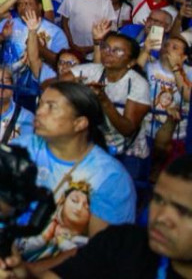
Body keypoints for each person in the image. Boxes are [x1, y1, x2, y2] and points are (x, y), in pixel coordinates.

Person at [0, 153, 192, 279]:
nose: (162, 217)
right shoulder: (123, 245)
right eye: (158, 200)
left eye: (183, 212)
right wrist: (17, 274)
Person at [13, 82, 136, 266]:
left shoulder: (110, 177)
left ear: (80, 123)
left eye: (51, 107)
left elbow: (99, 256)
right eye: (40, 104)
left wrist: (26, 272)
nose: (39, 112)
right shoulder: (23, 147)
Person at [62, 25, 151, 177]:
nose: (108, 53)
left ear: (131, 62)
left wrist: (104, 100)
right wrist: (73, 85)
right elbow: (55, 84)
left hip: (129, 153)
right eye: (106, 47)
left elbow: (127, 129)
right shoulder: (93, 70)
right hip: (98, 148)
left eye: (117, 51)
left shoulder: (138, 84)